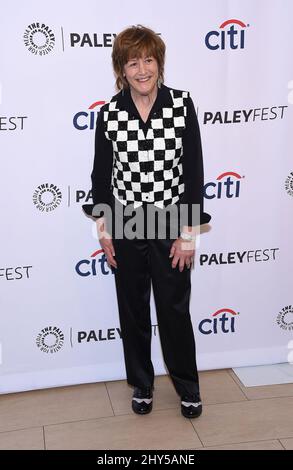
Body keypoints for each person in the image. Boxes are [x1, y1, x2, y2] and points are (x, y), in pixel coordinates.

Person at [83, 24, 211, 419]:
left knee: (174, 310)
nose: (142, 70)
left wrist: (188, 234)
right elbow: (100, 176)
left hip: (172, 219)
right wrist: (103, 230)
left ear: (160, 63)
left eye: (149, 60)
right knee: (134, 311)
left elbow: (193, 171)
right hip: (126, 223)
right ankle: (142, 384)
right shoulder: (108, 114)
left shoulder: (181, 104)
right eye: (132, 62)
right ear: (121, 69)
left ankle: (188, 386)